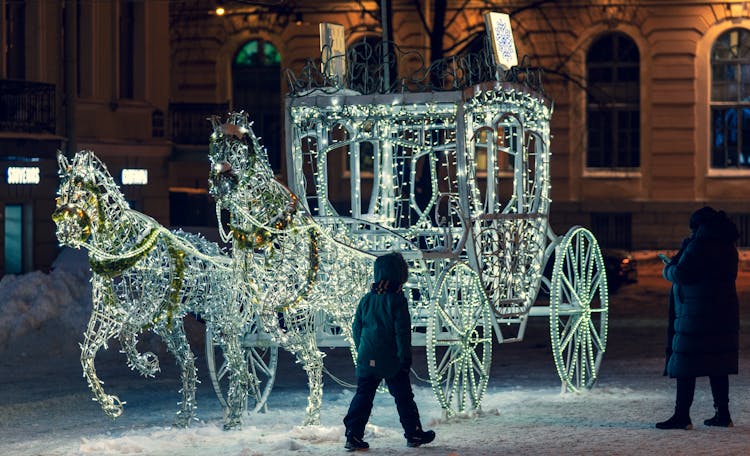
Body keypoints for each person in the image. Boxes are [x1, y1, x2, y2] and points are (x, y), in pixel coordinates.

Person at [656, 206, 740, 430]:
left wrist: (668, 269)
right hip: (723, 312)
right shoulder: (728, 245)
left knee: (686, 363)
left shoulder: (699, 245)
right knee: (718, 363)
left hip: (696, 313)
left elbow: (683, 274)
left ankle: (682, 416)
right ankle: (723, 414)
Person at [343, 252, 436, 451]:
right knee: (403, 397)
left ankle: (353, 435)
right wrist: (405, 358)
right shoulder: (397, 300)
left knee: (363, 396)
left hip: (367, 356)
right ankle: (414, 433)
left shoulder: (366, 299)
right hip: (391, 359)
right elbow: (401, 332)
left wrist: (363, 349)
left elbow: (356, 328)